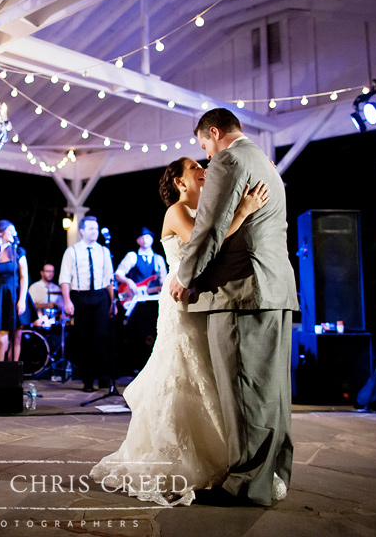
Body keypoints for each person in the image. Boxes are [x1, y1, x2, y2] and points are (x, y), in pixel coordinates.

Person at [90, 156, 269, 506]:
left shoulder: (206, 210)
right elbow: (204, 244)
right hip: (179, 305)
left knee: (204, 370)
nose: (203, 167)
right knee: (180, 372)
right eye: (194, 167)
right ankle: (179, 456)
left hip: (200, 300)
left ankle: (218, 452)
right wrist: (244, 210)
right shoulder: (176, 210)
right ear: (179, 182)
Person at [168, 108, 299, 506]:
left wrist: (184, 276)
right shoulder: (266, 163)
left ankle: (245, 485)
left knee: (244, 393)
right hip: (275, 289)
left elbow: (209, 227)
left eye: (204, 146)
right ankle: (273, 477)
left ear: (214, 133)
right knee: (273, 393)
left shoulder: (229, 160)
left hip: (241, 292)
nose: (207, 156)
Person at [59, 215, 115, 393]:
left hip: (100, 296)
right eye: (91, 228)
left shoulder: (104, 251)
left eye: (96, 229)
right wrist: (67, 300)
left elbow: (109, 279)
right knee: (84, 339)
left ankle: (104, 377)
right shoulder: (72, 251)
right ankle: (88, 380)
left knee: (102, 337)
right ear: (82, 231)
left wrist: (112, 302)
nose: (95, 232)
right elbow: (65, 279)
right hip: (80, 296)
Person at [0, 220, 32, 362]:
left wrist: (22, 300)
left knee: (16, 339)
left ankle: (12, 375)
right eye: (11, 230)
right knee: (0, 341)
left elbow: (24, 277)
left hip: (15, 295)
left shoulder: (18, 252)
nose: (14, 234)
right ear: (1, 232)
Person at [114, 227, 167, 299]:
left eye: (147, 237)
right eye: (142, 238)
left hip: (154, 297)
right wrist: (128, 281)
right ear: (137, 240)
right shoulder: (132, 256)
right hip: (136, 297)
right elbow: (118, 274)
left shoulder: (158, 258)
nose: (145, 240)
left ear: (152, 239)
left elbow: (164, 280)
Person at [28, 263, 64, 327]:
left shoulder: (57, 288)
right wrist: (45, 305)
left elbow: (62, 306)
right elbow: (29, 305)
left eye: (52, 271)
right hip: (39, 320)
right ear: (42, 272)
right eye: (48, 271)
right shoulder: (34, 287)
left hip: (54, 320)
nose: (51, 274)